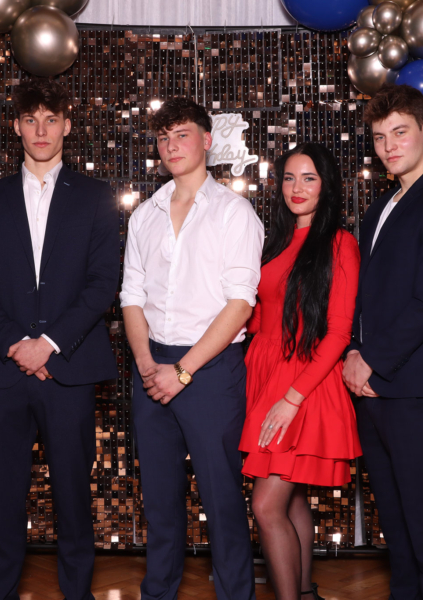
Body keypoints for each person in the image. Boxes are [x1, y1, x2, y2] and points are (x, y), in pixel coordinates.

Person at [0, 77, 119, 600]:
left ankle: (78, 594)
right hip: (1, 372)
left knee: (73, 495)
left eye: (51, 120)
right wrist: (16, 344)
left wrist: (47, 343)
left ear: (67, 126)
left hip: (69, 369)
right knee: (5, 498)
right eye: (31, 120)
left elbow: (103, 284)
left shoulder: (95, 197)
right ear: (16, 127)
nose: (41, 130)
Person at [121, 97, 264, 600]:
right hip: (151, 364)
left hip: (210, 370)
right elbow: (131, 296)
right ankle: (157, 593)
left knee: (221, 499)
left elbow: (240, 304)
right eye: (163, 137)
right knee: (159, 501)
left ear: (206, 140)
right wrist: (146, 363)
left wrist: (181, 371)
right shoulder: (145, 215)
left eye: (181, 134)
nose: (171, 145)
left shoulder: (234, 212)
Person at [342, 84, 423, 600]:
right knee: (395, 529)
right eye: (380, 138)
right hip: (373, 387)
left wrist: (372, 360)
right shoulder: (380, 208)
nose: (389, 146)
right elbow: (366, 296)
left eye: (400, 133)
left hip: (416, 389)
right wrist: (354, 352)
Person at [240, 143, 362, 600]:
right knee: (289, 499)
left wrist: (292, 398)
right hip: (264, 370)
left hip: (303, 382)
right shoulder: (274, 240)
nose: (297, 188)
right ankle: (305, 593)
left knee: (265, 505)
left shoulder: (339, 243)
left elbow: (339, 332)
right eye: (289, 178)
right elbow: (261, 314)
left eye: (309, 178)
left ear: (326, 185)